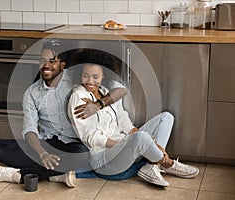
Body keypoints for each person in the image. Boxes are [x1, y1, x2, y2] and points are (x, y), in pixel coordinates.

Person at [0, 40, 128, 188]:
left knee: (83, 155)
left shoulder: (77, 77)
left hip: (75, 143)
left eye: (52, 61)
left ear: (62, 65)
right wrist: (42, 153)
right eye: (42, 61)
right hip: (48, 143)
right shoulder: (32, 93)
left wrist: (98, 104)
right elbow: (29, 129)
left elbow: (121, 89)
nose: (46, 66)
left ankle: (20, 175)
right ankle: (59, 172)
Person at [67, 52, 200, 187]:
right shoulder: (78, 97)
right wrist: (122, 144)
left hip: (124, 147)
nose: (90, 81)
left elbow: (124, 120)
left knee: (166, 118)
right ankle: (167, 163)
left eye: (95, 76)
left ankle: (151, 166)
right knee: (140, 137)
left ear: (103, 76)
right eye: (85, 76)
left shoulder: (105, 91)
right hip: (104, 160)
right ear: (80, 75)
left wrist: (154, 144)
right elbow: (90, 137)